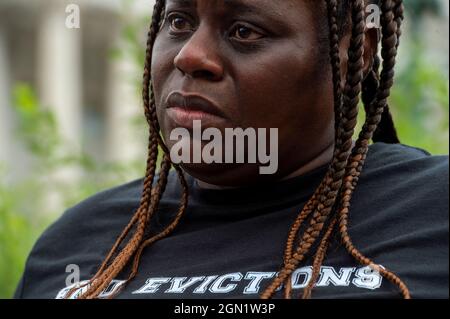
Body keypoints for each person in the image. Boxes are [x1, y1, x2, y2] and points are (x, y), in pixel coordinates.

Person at [14, 0, 448, 299]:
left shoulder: (432, 213)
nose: (191, 55)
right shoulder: (77, 243)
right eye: (179, 22)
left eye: (244, 31)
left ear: (356, 48)